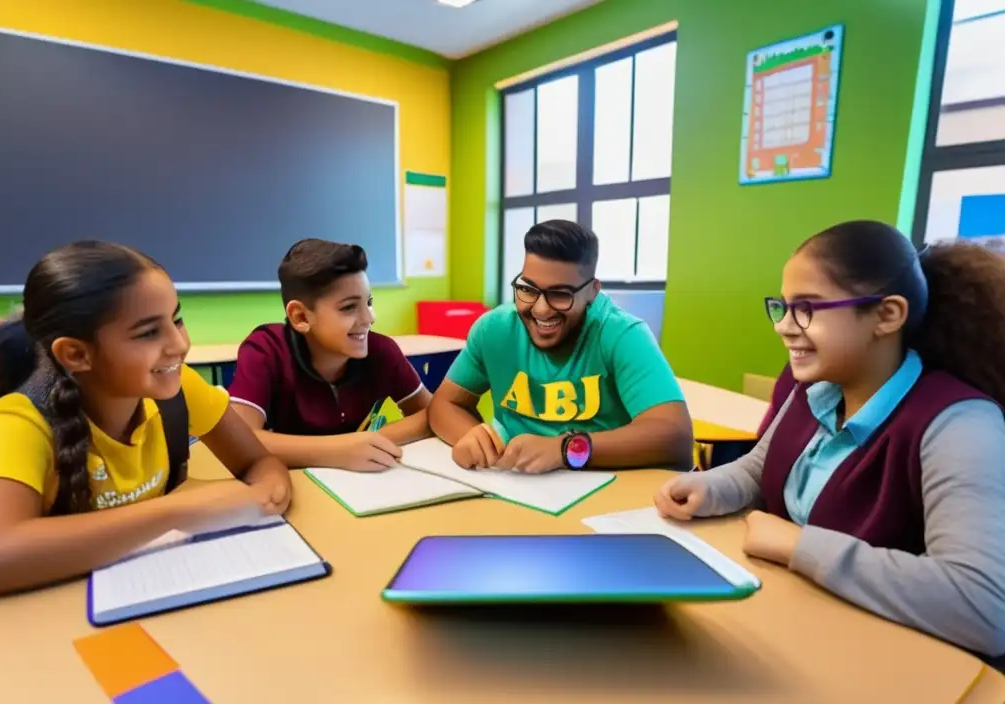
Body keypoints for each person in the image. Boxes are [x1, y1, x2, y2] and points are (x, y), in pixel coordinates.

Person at [654, 220, 1005, 659]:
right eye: (781, 307)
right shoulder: (815, 386)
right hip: (794, 625)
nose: (784, 326)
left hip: (886, 659)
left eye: (808, 308)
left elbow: (984, 607)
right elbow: (762, 465)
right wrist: (712, 487)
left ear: (887, 315)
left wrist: (798, 545)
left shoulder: (960, 425)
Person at [0, 241, 291, 597]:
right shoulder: (19, 421)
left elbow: (258, 461)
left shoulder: (180, 386)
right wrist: (174, 512)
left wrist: (269, 490)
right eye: (148, 332)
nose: (179, 344)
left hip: (171, 595)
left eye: (177, 319)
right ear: (76, 354)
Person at [429, 219, 693, 474]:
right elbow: (445, 404)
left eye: (560, 294)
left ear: (592, 291)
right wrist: (472, 438)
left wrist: (566, 450)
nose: (541, 310)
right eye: (528, 289)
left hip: (604, 492)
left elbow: (674, 436)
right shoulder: (494, 330)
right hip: (517, 487)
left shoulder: (622, 334)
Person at [228, 239, 431, 470]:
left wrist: (376, 440)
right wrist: (339, 450)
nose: (369, 318)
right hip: (294, 486)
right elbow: (240, 440)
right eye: (349, 307)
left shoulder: (381, 351)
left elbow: (434, 413)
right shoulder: (266, 350)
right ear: (300, 317)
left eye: (369, 302)